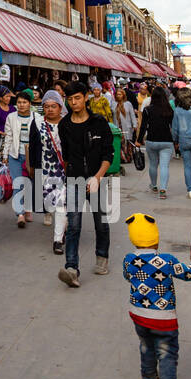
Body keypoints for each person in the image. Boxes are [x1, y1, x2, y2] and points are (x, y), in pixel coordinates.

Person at [124, 212, 191, 379]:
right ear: (155, 239)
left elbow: (128, 276)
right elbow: (190, 274)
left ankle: (149, 378)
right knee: (166, 352)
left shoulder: (129, 259)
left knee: (146, 345)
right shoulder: (167, 260)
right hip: (163, 319)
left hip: (138, 315)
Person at [56, 81, 114, 288]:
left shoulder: (99, 122)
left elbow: (109, 153)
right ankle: (72, 268)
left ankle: (102, 256)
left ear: (86, 97)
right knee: (73, 225)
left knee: (101, 223)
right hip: (74, 180)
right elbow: (66, 156)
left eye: (77, 98)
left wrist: (97, 177)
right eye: (70, 99)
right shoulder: (64, 126)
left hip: (97, 178)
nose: (74, 102)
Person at [27, 90, 66, 249]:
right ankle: (63, 228)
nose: (50, 109)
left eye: (53, 106)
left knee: (61, 204)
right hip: (44, 169)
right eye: (47, 106)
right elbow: (33, 146)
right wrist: (32, 168)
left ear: (60, 107)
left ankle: (57, 239)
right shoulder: (37, 124)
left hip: (64, 169)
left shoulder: (67, 123)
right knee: (50, 204)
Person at [2, 91, 35, 227]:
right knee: (17, 184)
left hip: (31, 156)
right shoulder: (11, 117)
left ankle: (28, 209)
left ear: (30, 104)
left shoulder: (37, 117)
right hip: (15, 154)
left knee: (29, 184)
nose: (21, 105)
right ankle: (20, 214)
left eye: (24, 102)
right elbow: (8, 136)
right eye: (19, 102)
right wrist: (5, 155)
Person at [138, 84, 175, 199]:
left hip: (152, 140)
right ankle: (163, 190)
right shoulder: (169, 110)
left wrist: (139, 140)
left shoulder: (147, 110)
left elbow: (143, 126)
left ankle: (154, 186)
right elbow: (172, 126)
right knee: (164, 166)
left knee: (153, 164)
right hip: (166, 141)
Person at [171, 88, 191, 199]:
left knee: (187, 166)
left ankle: (190, 190)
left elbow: (175, 128)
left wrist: (175, 140)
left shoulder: (177, 111)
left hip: (183, 140)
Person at [115, 87, 138, 163]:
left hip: (127, 127)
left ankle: (127, 158)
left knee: (127, 143)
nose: (118, 96)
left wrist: (135, 125)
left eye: (120, 94)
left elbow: (132, 115)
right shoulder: (114, 104)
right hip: (117, 127)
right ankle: (121, 158)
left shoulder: (128, 104)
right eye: (117, 94)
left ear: (123, 95)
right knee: (120, 143)